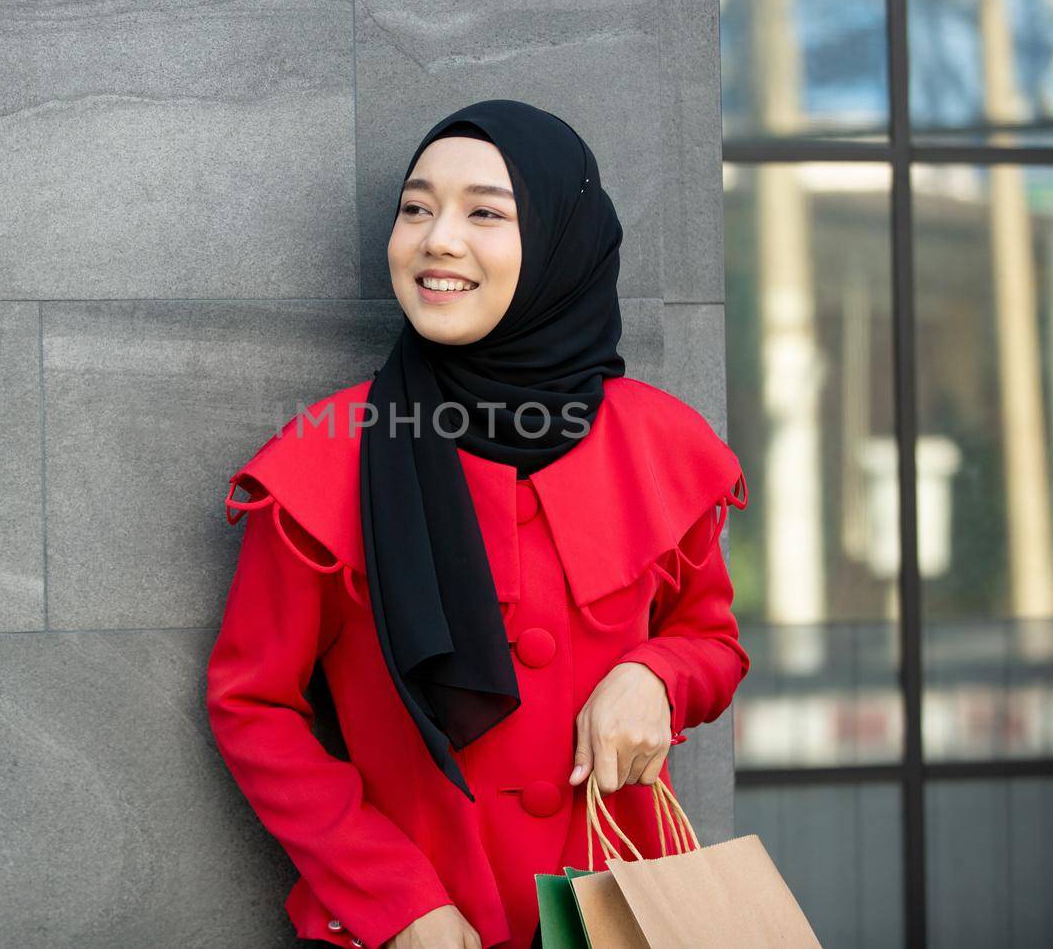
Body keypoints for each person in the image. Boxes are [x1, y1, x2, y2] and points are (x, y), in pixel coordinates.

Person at [205, 99, 750, 949]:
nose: (437, 239)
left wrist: (656, 675)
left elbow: (711, 640)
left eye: (485, 212)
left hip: (623, 919)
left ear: (564, 246)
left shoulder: (659, 443)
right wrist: (394, 900)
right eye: (416, 208)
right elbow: (253, 704)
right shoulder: (329, 455)